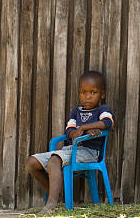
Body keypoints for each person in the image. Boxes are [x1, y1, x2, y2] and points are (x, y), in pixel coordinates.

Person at [25, 71, 114, 215]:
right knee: (31, 162)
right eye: (83, 92)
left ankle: (51, 204)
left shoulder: (102, 110)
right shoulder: (75, 112)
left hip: (89, 153)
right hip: (70, 149)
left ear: (102, 94)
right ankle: (56, 195)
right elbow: (70, 132)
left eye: (93, 92)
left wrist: (85, 128)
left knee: (54, 160)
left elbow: (108, 123)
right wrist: (77, 132)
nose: (88, 96)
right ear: (79, 93)